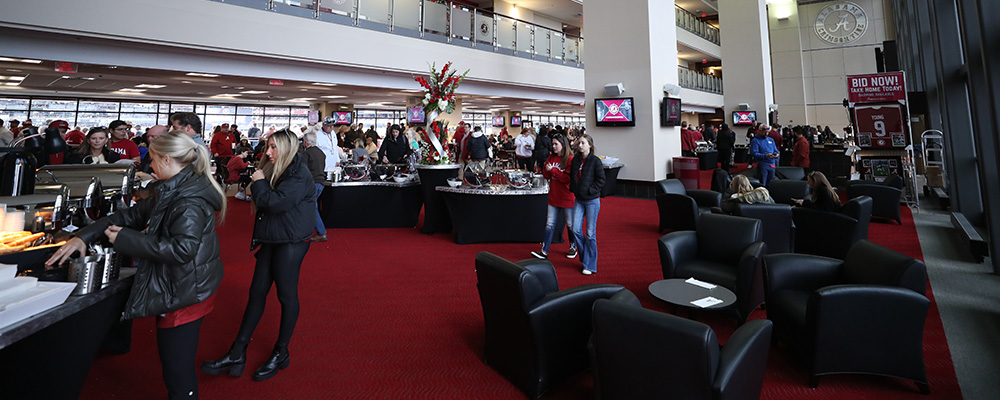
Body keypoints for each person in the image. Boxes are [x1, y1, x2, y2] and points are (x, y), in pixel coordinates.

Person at [47, 130, 225, 399]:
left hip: (186, 288)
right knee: (175, 366)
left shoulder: (188, 199)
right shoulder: (171, 187)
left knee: (177, 371)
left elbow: (183, 250)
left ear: (166, 160)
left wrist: (126, 240)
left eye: (152, 160)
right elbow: (129, 215)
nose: (149, 166)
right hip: (182, 282)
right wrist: (83, 237)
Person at [202, 129, 314, 382]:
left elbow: (273, 203)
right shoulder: (279, 168)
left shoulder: (298, 172)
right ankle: (238, 350)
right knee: (256, 292)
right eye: (268, 147)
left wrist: (260, 181)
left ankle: (281, 351)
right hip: (274, 237)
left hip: (291, 240)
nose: (268, 152)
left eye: (274, 147)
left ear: (287, 148)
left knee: (286, 295)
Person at [531, 133, 577, 260]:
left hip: (567, 196)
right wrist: (549, 171)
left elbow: (567, 179)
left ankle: (573, 246)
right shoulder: (551, 157)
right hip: (554, 196)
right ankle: (544, 251)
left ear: (563, 144)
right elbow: (545, 174)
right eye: (553, 144)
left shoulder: (570, 159)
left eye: (556, 144)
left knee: (570, 224)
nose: (554, 146)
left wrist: (553, 171)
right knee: (549, 224)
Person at [569, 134, 605, 275]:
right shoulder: (576, 160)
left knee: (590, 233)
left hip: (592, 200)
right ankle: (586, 257)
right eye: (579, 143)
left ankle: (589, 264)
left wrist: (590, 190)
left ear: (590, 145)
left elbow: (601, 180)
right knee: (576, 229)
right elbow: (572, 177)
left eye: (583, 143)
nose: (580, 145)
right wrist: (575, 189)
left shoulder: (595, 161)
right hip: (579, 199)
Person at [302, 131, 328, 242]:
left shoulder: (306, 154)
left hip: (311, 183)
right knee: (312, 206)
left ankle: (321, 232)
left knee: (311, 208)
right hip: (321, 183)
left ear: (306, 142)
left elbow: (303, 171)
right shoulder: (321, 153)